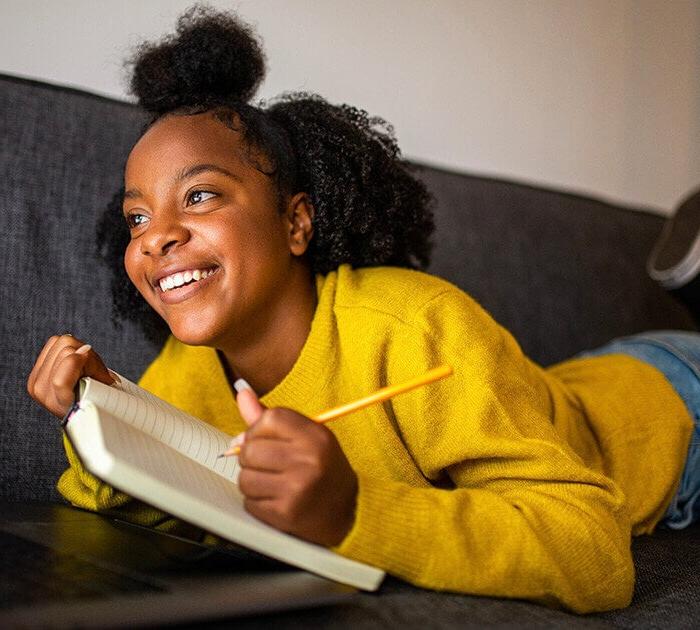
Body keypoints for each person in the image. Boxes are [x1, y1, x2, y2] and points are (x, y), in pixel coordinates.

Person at [26, 6, 698, 614]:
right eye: (137, 216)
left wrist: (354, 512)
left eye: (200, 196)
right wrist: (98, 411)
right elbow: (136, 506)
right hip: (573, 387)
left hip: (672, 406)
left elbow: (598, 558)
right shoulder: (188, 368)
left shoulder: (418, 327)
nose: (155, 235)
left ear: (296, 223)